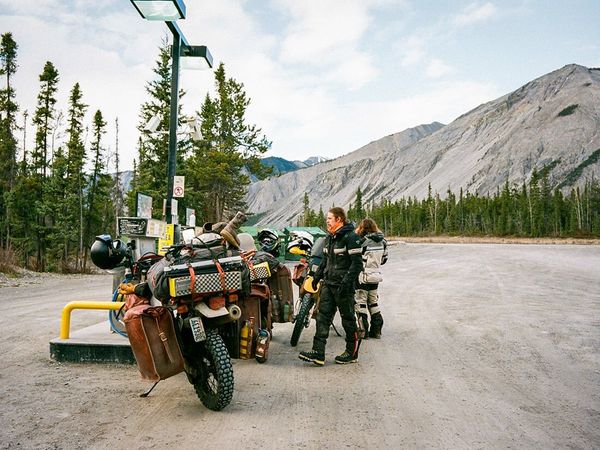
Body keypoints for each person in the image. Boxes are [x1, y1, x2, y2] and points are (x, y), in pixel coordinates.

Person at [299, 207, 364, 365]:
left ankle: (352, 353)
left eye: (329, 218)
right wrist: (316, 277)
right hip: (328, 284)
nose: (327, 221)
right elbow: (325, 261)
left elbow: (357, 264)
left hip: (344, 287)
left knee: (348, 319)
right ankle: (318, 353)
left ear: (339, 219)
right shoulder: (329, 238)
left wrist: (346, 283)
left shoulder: (351, 237)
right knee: (322, 317)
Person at [354, 218, 388, 339]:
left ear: (362, 228)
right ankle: (376, 330)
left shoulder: (362, 241)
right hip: (375, 275)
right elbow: (384, 259)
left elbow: (355, 258)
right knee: (373, 302)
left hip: (362, 276)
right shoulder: (383, 241)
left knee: (361, 302)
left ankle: (363, 331)